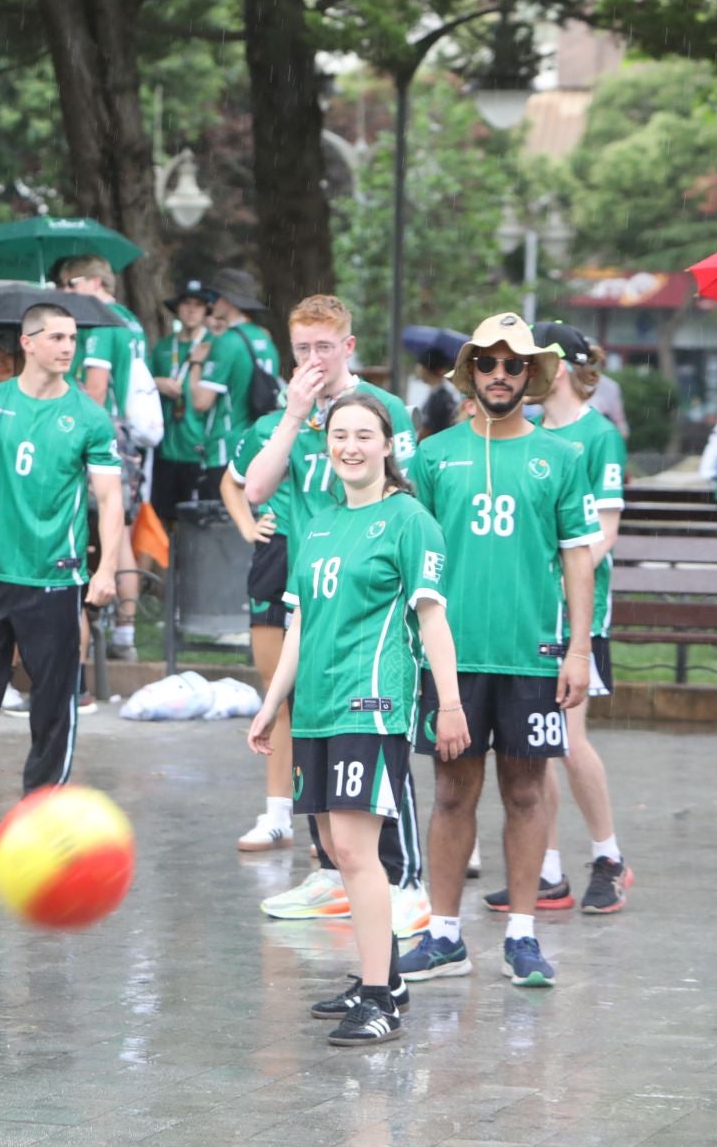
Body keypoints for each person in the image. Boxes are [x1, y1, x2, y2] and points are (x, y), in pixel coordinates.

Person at [249, 391, 461, 1046]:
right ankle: (383, 976)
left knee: (358, 852)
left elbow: (431, 616)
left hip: (371, 703)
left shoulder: (409, 519)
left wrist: (448, 703)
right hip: (314, 706)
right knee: (337, 855)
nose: (350, 446)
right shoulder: (317, 524)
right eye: (340, 435)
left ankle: (381, 999)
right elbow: (300, 622)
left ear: (389, 443)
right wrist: (270, 703)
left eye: (364, 435)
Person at [398, 313, 599, 990]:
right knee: (453, 793)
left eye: (515, 366)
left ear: (532, 376)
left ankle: (522, 935)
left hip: (533, 655)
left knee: (524, 790)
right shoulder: (432, 456)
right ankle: (444, 935)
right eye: (488, 363)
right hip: (450, 660)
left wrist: (577, 650)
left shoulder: (562, 457)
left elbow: (578, 561)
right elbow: (408, 556)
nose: (501, 375)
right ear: (471, 372)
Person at [238, 297, 423, 942]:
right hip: (310, 581)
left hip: (369, 590)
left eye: (325, 347)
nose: (313, 361)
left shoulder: (383, 411)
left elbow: (409, 491)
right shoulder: (291, 414)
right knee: (312, 729)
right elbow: (255, 488)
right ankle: (331, 870)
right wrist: (293, 416)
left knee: (374, 735)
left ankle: (404, 880)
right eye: (303, 350)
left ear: (349, 347)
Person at [0, 304, 124, 833]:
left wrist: (107, 568)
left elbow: (110, 500)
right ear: (28, 343)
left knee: (53, 700)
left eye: (73, 338)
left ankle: (42, 804)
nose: (69, 347)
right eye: (58, 337)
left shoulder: (89, 415)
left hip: (56, 577)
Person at [474, 321, 629, 915]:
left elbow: (605, 532)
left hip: (581, 612)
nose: (510, 375)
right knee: (537, 744)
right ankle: (549, 869)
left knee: (571, 739)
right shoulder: (530, 432)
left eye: (523, 363)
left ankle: (609, 857)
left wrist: (553, 567)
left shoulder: (598, 436)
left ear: (555, 367)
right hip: (533, 613)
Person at [58, 254, 163, 662]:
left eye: (71, 284)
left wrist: (62, 386)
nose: (67, 293)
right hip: (131, 439)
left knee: (110, 528)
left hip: (107, 435)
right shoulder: (130, 319)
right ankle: (126, 633)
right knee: (119, 526)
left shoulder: (100, 321)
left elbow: (98, 391)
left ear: (94, 283)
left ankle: (111, 629)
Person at [188, 270, 280, 471]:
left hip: (226, 448)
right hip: (259, 443)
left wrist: (195, 364)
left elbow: (201, 402)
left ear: (228, 301)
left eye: (214, 297)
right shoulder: (265, 338)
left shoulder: (227, 341)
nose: (210, 304)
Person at [149, 281, 221, 521]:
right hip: (165, 448)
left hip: (200, 447)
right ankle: (168, 560)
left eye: (198, 305)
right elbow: (141, 385)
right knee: (162, 518)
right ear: (177, 308)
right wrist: (156, 383)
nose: (191, 310)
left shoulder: (215, 345)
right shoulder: (162, 348)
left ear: (206, 311)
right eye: (186, 304)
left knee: (198, 521)